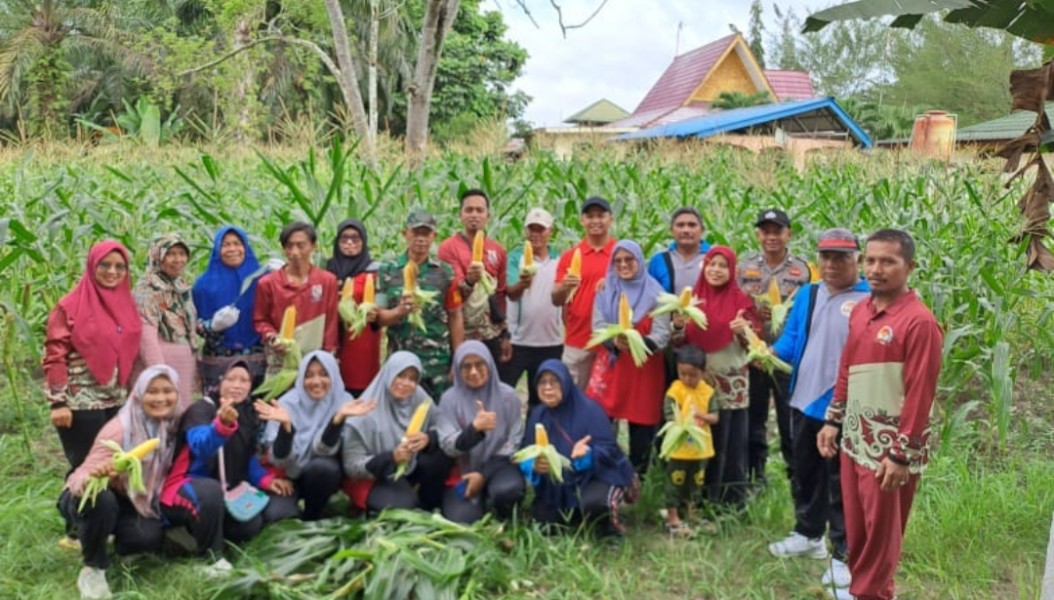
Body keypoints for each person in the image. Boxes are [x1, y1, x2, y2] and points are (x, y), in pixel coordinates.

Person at [817, 229, 942, 600]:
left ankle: (872, 594)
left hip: (888, 453)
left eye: (888, 261)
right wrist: (832, 420)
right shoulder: (861, 312)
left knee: (881, 537)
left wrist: (901, 454)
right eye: (870, 260)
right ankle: (862, 591)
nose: (876, 269)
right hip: (855, 441)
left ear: (910, 266)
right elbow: (847, 369)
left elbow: (921, 394)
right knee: (858, 531)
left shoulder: (919, 323)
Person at [766, 229, 870, 597]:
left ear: (856, 260)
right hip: (803, 400)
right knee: (804, 471)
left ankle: (843, 552)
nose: (831, 264)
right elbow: (793, 341)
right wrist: (765, 351)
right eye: (825, 256)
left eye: (841, 257)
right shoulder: (808, 293)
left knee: (841, 482)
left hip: (843, 407)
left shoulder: (869, 299)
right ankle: (809, 534)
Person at [61, 366, 182, 600]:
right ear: (138, 395)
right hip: (90, 495)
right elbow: (77, 478)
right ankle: (93, 567)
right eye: (152, 392)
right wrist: (96, 476)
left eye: (168, 391)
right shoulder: (120, 429)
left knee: (144, 540)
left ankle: (106, 532)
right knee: (101, 501)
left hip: (130, 499)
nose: (160, 398)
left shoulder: (173, 426)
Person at [163, 361, 299, 544]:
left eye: (244, 380)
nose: (237, 385)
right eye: (231, 379)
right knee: (210, 493)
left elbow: (245, 457)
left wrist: (266, 480)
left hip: (226, 489)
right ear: (219, 381)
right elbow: (200, 447)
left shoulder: (246, 413)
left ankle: (193, 533)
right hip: (188, 485)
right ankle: (211, 554)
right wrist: (221, 426)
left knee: (249, 526)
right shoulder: (200, 410)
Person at [45, 241, 142, 473]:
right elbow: (54, 355)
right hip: (82, 402)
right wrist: (58, 402)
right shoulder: (69, 306)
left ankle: (110, 509)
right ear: (91, 266)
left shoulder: (127, 304)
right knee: (87, 465)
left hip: (118, 398)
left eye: (120, 267)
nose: (112, 272)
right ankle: (76, 505)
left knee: (114, 464)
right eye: (105, 265)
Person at [318, 352, 452, 513]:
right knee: (406, 507)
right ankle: (363, 504)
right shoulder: (364, 414)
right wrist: (391, 457)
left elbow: (443, 424)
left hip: (403, 468)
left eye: (412, 379)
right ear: (388, 374)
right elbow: (352, 468)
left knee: (440, 455)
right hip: (370, 476)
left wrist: (428, 438)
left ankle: (428, 503)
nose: (405, 383)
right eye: (400, 376)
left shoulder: (418, 397)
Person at [737, 209, 813, 486]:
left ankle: (797, 479)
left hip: (786, 359)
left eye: (777, 231)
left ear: (788, 234)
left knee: (790, 423)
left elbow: (807, 312)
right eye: (765, 231)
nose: (771, 236)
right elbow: (737, 308)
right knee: (754, 423)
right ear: (758, 234)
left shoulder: (802, 270)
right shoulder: (744, 269)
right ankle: (756, 478)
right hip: (755, 357)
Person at [681, 246, 760, 509]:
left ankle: (730, 500)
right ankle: (699, 497)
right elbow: (679, 341)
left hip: (731, 381)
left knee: (731, 440)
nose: (715, 270)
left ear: (732, 270)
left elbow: (756, 347)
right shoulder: (692, 299)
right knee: (702, 437)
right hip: (699, 382)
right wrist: (678, 326)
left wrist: (744, 331)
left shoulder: (741, 301)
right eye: (711, 264)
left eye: (722, 266)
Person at [520, 360, 637, 537]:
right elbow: (525, 452)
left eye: (554, 381)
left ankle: (608, 526)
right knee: (544, 523)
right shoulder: (538, 415)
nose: (548, 388)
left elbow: (610, 451)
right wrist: (533, 466)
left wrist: (588, 455)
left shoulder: (590, 410)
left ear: (566, 383)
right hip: (558, 485)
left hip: (595, 477)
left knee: (594, 504)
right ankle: (575, 513)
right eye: (542, 382)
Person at [255, 351, 374, 520]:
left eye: (324, 374)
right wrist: (286, 429)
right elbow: (280, 461)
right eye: (309, 375)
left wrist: (336, 420)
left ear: (334, 375)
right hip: (288, 474)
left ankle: (313, 514)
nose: (316, 382)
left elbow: (325, 452)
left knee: (323, 468)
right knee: (277, 515)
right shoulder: (286, 404)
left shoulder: (343, 402)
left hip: (323, 475)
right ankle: (295, 507)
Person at [591, 240, 670, 474]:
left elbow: (662, 333)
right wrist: (614, 341)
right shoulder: (605, 290)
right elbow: (597, 326)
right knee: (601, 423)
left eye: (629, 260)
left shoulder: (657, 294)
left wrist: (637, 343)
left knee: (642, 429)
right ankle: (604, 476)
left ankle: (638, 480)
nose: (624, 265)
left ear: (639, 261)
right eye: (618, 261)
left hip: (644, 368)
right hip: (612, 366)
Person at [375, 209, 464, 399]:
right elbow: (378, 318)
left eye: (426, 233)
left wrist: (458, 358)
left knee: (436, 419)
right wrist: (399, 311)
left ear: (434, 236)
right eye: (416, 233)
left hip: (436, 363)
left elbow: (455, 316)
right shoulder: (387, 272)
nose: (421, 239)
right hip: (400, 361)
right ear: (405, 234)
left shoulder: (445, 273)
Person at [436, 341, 525, 524]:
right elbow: (448, 446)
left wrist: (483, 475)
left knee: (508, 491)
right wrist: (474, 430)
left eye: (479, 364)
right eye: (466, 366)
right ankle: (478, 501)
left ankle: (495, 499)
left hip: (499, 466)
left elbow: (513, 442)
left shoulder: (508, 397)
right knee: (462, 519)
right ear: (457, 370)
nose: (474, 372)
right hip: (463, 472)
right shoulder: (449, 400)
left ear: (490, 365)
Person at [253, 222, 340, 387]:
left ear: (314, 246)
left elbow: (331, 322)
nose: (294, 252)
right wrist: (273, 338)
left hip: (314, 358)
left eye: (301, 246)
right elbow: (260, 319)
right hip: (281, 358)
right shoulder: (268, 283)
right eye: (289, 246)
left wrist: (329, 355)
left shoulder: (327, 281)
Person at [438, 189, 511, 368]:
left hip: (490, 335)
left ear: (488, 216)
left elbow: (500, 294)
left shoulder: (498, 250)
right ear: (460, 215)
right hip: (460, 334)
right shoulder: (448, 248)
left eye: (480, 210)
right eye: (469, 210)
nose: (474, 215)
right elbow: (449, 293)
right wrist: (470, 281)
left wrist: (505, 335)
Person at [552, 197, 617, 388]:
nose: (595, 221)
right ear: (582, 220)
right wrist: (564, 286)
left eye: (601, 216)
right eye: (590, 216)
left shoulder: (621, 254)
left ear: (610, 219)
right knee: (571, 398)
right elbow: (556, 299)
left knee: (605, 406)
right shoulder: (570, 256)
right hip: (577, 341)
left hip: (611, 342)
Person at [192, 226, 266, 393]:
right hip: (218, 361)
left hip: (257, 359)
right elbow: (194, 324)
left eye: (237, 244)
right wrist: (212, 325)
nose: (232, 249)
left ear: (245, 247)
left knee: (253, 410)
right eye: (226, 244)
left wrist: (282, 275)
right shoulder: (203, 285)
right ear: (218, 249)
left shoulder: (262, 279)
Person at [502, 208, 564, 408]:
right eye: (531, 229)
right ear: (525, 231)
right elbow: (511, 292)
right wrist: (522, 282)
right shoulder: (514, 258)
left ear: (550, 232)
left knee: (540, 401)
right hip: (519, 341)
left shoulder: (560, 260)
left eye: (541, 229)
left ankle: (534, 436)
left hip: (551, 342)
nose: (535, 234)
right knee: (506, 395)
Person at [135, 234, 199, 410]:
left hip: (182, 364)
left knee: (180, 416)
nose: (177, 259)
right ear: (158, 256)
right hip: (164, 365)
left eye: (181, 253)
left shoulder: (180, 285)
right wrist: (159, 374)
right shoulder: (148, 289)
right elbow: (146, 337)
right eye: (170, 254)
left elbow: (184, 323)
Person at [662, 346, 718, 536]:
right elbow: (669, 414)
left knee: (696, 481)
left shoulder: (709, 392)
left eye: (692, 375)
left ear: (703, 372)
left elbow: (715, 417)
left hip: (701, 447)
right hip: (679, 447)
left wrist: (702, 416)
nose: (687, 379)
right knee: (675, 481)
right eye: (682, 374)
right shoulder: (675, 390)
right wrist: (681, 423)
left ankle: (693, 513)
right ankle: (672, 516)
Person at [326, 219, 382, 395]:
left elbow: (381, 305)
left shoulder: (374, 271)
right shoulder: (328, 269)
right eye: (344, 238)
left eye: (355, 238)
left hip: (361, 340)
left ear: (364, 241)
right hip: (332, 338)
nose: (350, 243)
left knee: (359, 390)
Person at [647, 207, 711, 294]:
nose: (686, 230)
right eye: (680, 225)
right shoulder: (659, 259)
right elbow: (650, 294)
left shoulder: (715, 257)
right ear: (671, 231)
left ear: (702, 230)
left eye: (692, 225)